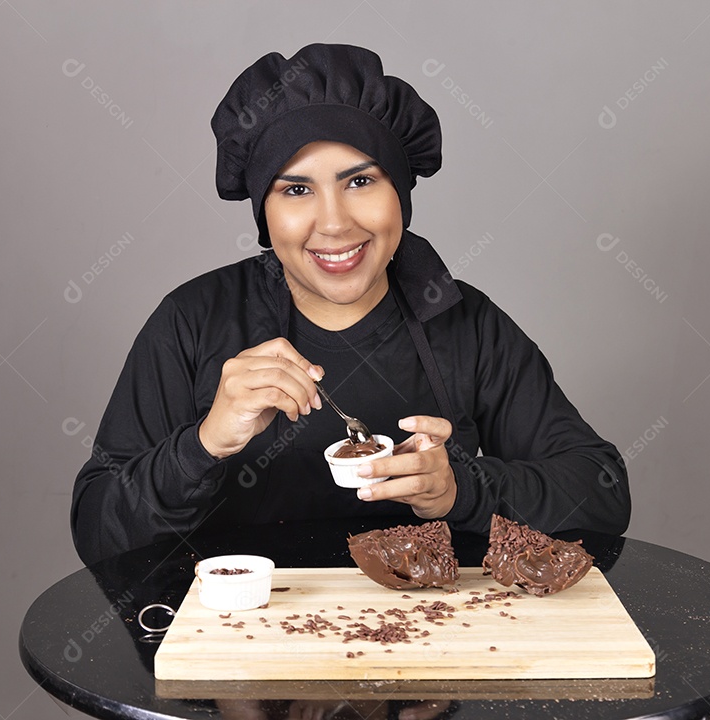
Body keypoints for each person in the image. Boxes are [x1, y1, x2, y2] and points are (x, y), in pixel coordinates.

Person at [70, 43, 630, 568]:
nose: (335, 224)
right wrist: (205, 443)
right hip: (243, 649)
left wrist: (463, 489)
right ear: (264, 214)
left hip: (434, 647)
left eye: (360, 181)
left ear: (401, 195)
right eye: (295, 190)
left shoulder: (463, 322)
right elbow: (98, 532)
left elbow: (602, 493)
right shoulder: (194, 320)